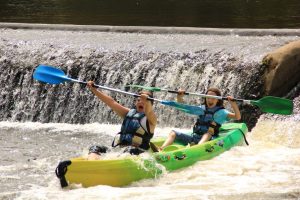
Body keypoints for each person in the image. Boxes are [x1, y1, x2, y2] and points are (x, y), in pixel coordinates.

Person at [151, 87, 241, 152]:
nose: (210, 98)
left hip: (210, 139)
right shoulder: (201, 109)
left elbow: (237, 117)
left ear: (217, 100)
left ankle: (195, 149)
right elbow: (183, 107)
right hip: (195, 137)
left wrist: (233, 104)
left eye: (213, 96)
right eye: (208, 96)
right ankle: (161, 149)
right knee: (173, 133)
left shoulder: (222, 112)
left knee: (207, 134)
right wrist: (179, 96)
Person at [86, 81, 157, 157]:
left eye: (144, 101)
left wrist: (147, 100)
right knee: (95, 148)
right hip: (120, 150)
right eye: (138, 100)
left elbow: (149, 111)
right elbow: (111, 102)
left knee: (129, 150)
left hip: (140, 151)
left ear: (150, 104)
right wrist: (94, 90)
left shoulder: (151, 120)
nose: (141, 102)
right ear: (135, 103)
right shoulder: (128, 113)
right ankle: (93, 164)